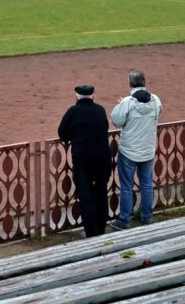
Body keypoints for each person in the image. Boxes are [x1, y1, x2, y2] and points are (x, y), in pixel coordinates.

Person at [57, 85, 112, 238]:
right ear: (93, 96)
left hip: (83, 161)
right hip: (102, 159)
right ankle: (101, 229)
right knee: (102, 194)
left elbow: (62, 134)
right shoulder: (100, 109)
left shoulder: (73, 111)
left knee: (86, 196)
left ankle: (91, 232)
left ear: (76, 96)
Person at [110, 70, 162, 230]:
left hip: (129, 151)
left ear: (130, 84)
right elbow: (158, 114)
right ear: (144, 82)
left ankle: (124, 220)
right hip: (147, 150)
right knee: (146, 185)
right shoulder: (155, 100)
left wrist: (121, 105)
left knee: (126, 186)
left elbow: (116, 121)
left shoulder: (127, 102)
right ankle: (147, 217)